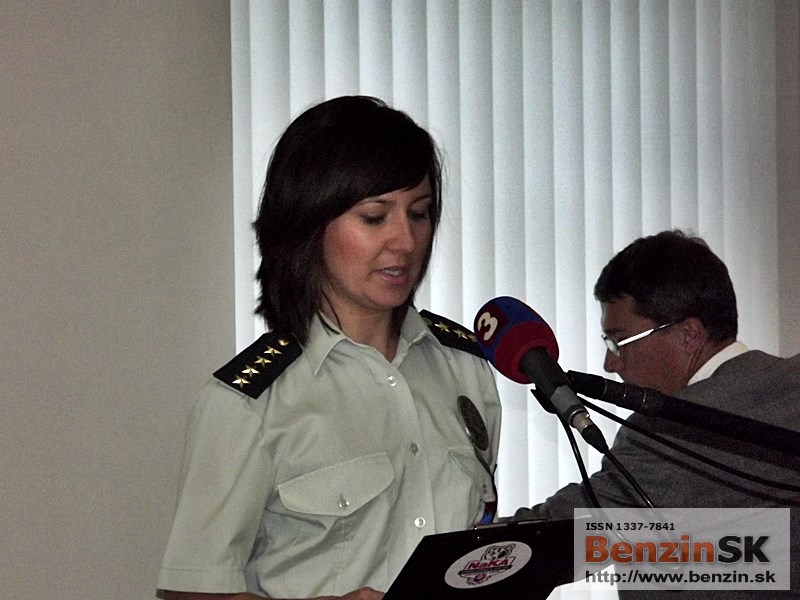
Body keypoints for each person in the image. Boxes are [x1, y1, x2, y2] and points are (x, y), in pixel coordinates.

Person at [156, 96, 502, 599]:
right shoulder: (248, 404)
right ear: (309, 222)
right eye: (375, 216)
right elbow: (191, 592)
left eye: (420, 213)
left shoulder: (465, 367)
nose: (406, 241)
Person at [514, 229, 800, 597]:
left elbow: (549, 540)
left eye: (619, 341)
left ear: (689, 335)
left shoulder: (663, 435)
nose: (610, 363)